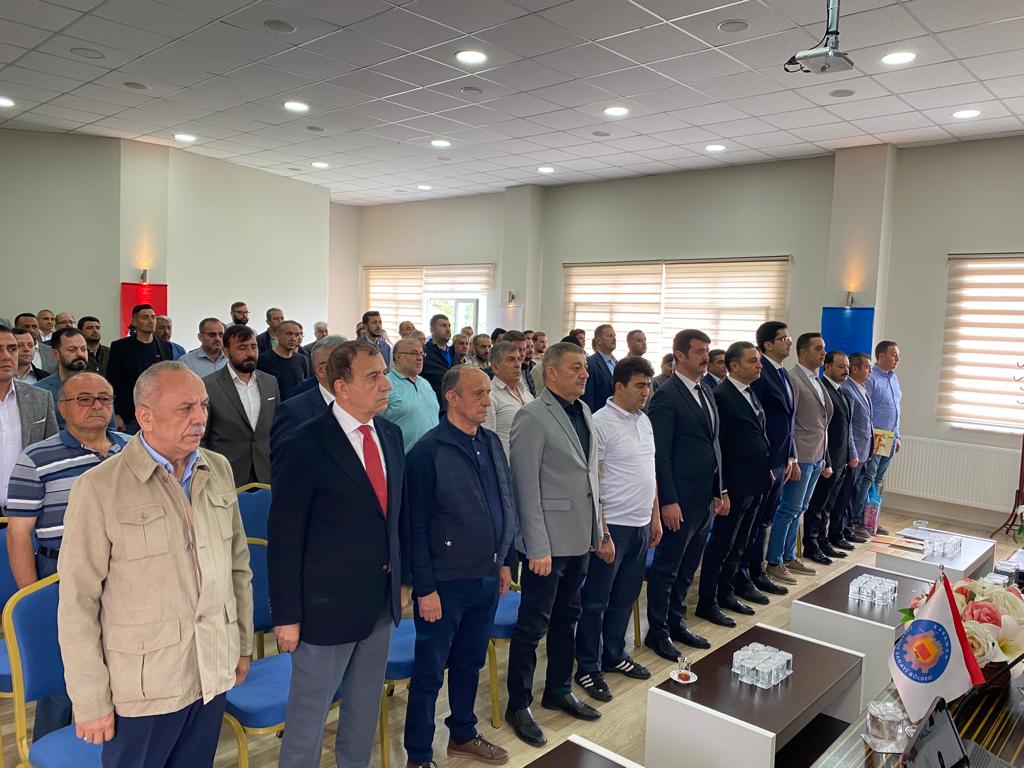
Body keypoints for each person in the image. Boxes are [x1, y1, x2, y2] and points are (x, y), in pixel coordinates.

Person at [57, 362, 253, 767]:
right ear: (145, 416)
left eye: (203, 405)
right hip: (145, 685)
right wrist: (90, 699)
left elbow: (237, 567)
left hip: (212, 667)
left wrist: (241, 645)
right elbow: (78, 602)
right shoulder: (99, 487)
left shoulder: (217, 468)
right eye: (185, 408)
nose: (200, 418)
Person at [269, 340, 411, 768]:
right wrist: (286, 616)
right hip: (324, 609)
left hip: (379, 600)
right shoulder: (305, 443)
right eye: (374, 376)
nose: (386, 384)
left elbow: (397, 515)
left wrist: (404, 579)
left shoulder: (390, 434)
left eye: (384, 373)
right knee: (308, 718)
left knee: (364, 709)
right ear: (341, 387)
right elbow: (285, 537)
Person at [403, 367, 515, 768]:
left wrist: (506, 561)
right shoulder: (427, 452)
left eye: (487, 393)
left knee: (470, 663)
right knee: (430, 673)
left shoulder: (490, 441)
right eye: (478, 394)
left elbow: (505, 501)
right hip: (444, 584)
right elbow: (414, 527)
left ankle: (463, 734)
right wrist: (425, 588)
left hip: (487, 575)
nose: (487, 401)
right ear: (452, 398)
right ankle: (418, 755)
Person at [6, 371, 127, 740]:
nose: (96, 406)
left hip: (126, 570)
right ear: (62, 408)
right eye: (84, 399)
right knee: (64, 676)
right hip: (60, 572)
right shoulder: (36, 458)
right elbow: (18, 534)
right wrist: (34, 596)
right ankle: (51, 750)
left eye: (104, 398)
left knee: (121, 666)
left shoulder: (133, 449)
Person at [505, 342, 611, 747]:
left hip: (579, 537)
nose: (584, 374)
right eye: (575, 368)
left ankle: (559, 689)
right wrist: (536, 547)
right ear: (551, 373)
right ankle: (519, 704)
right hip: (546, 544)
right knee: (533, 625)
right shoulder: (532, 416)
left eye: (585, 367)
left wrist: (598, 531)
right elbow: (525, 487)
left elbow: (591, 477)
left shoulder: (583, 410)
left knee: (569, 617)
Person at [574, 356, 660, 702]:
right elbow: (592, 483)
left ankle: (614, 654)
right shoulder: (599, 423)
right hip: (613, 527)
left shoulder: (645, 421)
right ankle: (587, 666)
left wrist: (654, 517)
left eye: (648, 385)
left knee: (625, 597)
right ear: (619, 387)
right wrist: (602, 532)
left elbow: (651, 472)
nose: (645, 392)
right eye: (639, 386)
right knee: (596, 601)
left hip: (640, 524)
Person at [644, 329, 724, 658]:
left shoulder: (706, 390)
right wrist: (668, 500)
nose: (706, 357)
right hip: (679, 499)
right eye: (699, 351)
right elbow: (660, 454)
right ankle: (658, 631)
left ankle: (676, 622)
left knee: (689, 567)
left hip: (704, 498)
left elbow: (714, 444)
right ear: (680, 355)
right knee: (667, 570)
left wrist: (719, 489)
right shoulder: (667, 395)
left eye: (707, 351)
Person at [697, 342, 771, 628]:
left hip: (755, 480)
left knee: (741, 542)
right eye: (752, 361)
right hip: (735, 485)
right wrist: (722, 489)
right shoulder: (722, 396)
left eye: (759, 360)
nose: (759, 365)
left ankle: (727, 592)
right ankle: (708, 602)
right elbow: (720, 447)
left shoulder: (750, 392)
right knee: (721, 545)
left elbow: (757, 434)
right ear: (734, 366)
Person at [736, 322, 797, 603]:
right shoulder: (761, 376)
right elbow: (756, 423)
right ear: (768, 344)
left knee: (764, 521)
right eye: (783, 338)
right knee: (752, 524)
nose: (789, 342)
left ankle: (756, 571)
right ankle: (744, 576)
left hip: (780, 459)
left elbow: (788, 421)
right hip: (764, 461)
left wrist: (790, 456)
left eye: (789, 337)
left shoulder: (782, 373)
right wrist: (765, 462)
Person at [765, 332, 833, 585]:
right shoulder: (793, 378)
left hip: (816, 453)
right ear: (803, 352)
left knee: (801, 508)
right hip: (801, 453)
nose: (823, 353)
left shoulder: (817, 380)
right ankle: (774, 561)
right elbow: (790, 422)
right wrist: (791, 456)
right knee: (788, 508)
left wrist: (824, 457)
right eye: (818, 348)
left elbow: (823, 421)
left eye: (823, 348)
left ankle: (789, 555)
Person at [202, 324, 279, 487]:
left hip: (266, 472)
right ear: (226, 351)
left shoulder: (270, 382)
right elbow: (202, 437)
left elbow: (277, 428)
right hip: (225, 474)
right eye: (242, 348)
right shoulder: (209, 386)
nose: (250, 353)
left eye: (253, 347)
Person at [0, 325, 59, 521]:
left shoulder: (40, 398)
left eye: (12, 348)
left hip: (28, 512)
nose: (6, 356)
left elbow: (52, 455)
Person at [802, 351, 855, 565]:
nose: (846, 370)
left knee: (828, 505)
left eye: (847, 366)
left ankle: (823, 541)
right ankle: (811, 544)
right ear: (827, 367)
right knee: (817, 505)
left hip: (841, 458)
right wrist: (827, 460)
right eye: (841, 366)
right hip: (826, 458)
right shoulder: (823, 390)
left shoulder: (842, 392)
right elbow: (822, 429)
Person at [853, 340, 902, 536]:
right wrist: (871, 437)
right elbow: (865, 410)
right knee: (868, 478)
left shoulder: (893, 378)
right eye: (893, 355)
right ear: (881, 356)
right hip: (875, 436)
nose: (898, 359)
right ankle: (857, 520)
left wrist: (897, 435)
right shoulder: (871, 378)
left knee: (879, 480)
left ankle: (871, 520)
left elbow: (896, 408)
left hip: (890, 436)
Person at [105, 304, 174, 433]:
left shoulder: (165, 347)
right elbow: (112, 382)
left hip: (159, 411)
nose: (151, 321)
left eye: (153, 317)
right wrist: (116, 413)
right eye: (145, 317)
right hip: (130, 413)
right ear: (135, 321)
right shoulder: (120, 347)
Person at [270, 335, 344, 455]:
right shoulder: (293, 412)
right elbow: (284, 458)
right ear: (321, 370)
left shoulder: (366, 402)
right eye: (343, 363)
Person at [35, 327, 115, 430]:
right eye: (72, 350)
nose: (80, 354)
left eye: (83, 349)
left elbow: (111, 428)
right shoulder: (40, 391)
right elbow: (38, 432)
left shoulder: (101, 386)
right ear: (55, 353)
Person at [384, 336, 439, 453]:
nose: (420, 358)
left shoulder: (425, 384)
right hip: (402, 457)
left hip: (433, 456)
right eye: (414, 353)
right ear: (398, 357)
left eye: (421, 354)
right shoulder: (385, 385)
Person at [840, 352, 873, 544]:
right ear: (854, 368)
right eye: (867, 367)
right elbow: (849, 426)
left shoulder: (862, 389)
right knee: (846, 494)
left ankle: (848, 527)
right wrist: (852, 452)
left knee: (854, 493)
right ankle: (842, 530)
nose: (870, 371)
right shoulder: (848, 390)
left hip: (864, 450)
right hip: (854, 452)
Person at [484, 340, 534, 459]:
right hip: (506, 465)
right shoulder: (490, 396)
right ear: (495, 367)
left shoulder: (527, 394)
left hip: (531, 462)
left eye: (519, 359)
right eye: (511, 360)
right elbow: (487, 440)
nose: (517, 365)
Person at [257, 320, 310, 400]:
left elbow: (305, 385)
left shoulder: (302, 360)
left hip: (297, 404)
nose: (293, 338)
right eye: (289, 334)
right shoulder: (263, 360)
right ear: (277, 335)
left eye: (297, 335)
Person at [582, 324, 616, 413]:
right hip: (598, 415)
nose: (614, 339)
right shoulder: (590, 363)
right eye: (610, 336)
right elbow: (588, 397)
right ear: (598, 340)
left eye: (614, 335)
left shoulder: (618, 364)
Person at [422, 313, 454, 405]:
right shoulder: (424, 353)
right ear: (432, 329)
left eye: (449, 326)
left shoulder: (454, 352)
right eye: (443, 326)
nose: (448, 329)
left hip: (453, 404)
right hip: (431, 403)